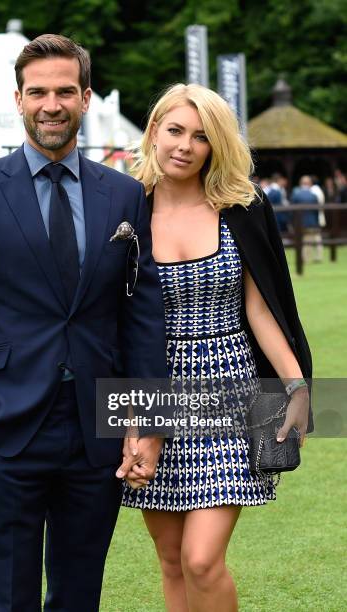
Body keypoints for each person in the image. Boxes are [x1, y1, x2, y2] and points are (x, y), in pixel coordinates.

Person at [0, 34, 168, 612]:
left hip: (96, 427)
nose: (51, 104)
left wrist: (145, 420)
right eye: (38, 92)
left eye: (65, 91)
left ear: (85, 98)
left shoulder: (126, 196)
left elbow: (142, 316)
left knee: (80, 594)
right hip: (3, 426)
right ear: (18, 99)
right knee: (7, 598)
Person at [121, 83, 313, 612]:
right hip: (149, 388)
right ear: (154, 130)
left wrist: (296, 384)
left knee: (202, 558)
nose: (185, 145)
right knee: (170, 558)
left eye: (202, 137)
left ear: (217, 144)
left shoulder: (241, 207)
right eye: (175, 130)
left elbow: (262, 309)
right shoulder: (124, 209)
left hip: (230, 382)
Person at [291, 175, 323, 263]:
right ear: (309, 184)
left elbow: (292, 211)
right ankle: (315, 257)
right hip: (312, 222)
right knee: (313, 240)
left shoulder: (296, 195)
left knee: (304, 241)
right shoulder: (313, 195)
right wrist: (316, 222)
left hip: (300, 223)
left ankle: (305, 259)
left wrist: (292, 223)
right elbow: (316, 210)